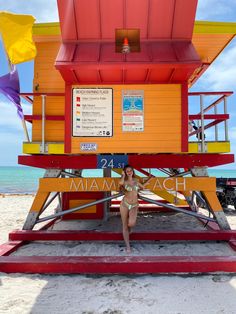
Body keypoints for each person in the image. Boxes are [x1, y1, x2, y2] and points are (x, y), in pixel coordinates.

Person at [118, 165, 152, 253]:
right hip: (124, 204)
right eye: (127, 171)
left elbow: (142, 187)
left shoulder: (136, 181)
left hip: (134, 205)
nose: (129, 172)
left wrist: (149, 179)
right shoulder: (124, 181)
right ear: (125, 172)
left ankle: (130, 228)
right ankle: (128, 246)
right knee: (124, 225)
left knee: (131, 223)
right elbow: (120, 183)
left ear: (133, 171)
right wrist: (123, 175)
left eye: (130, 170)